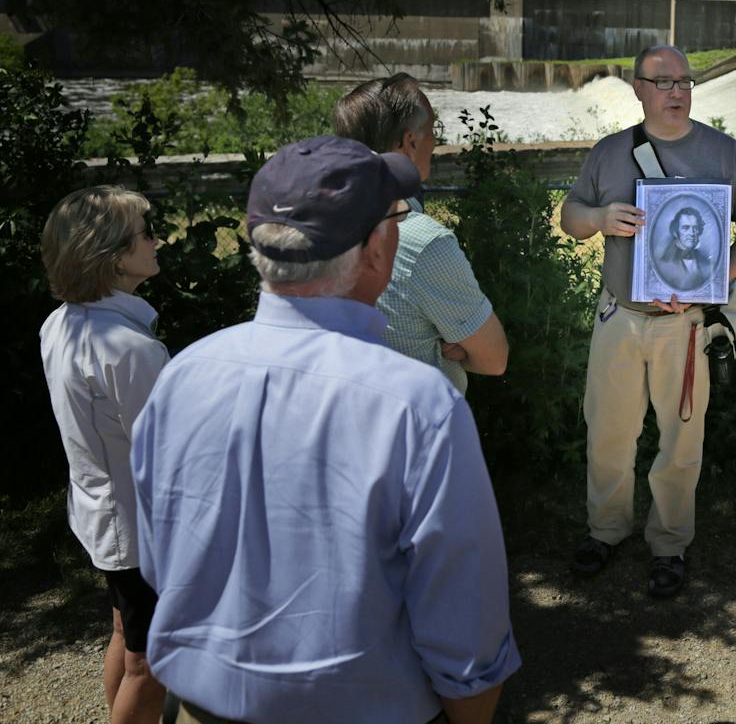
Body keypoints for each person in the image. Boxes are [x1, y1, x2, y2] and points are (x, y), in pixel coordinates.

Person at [133, 137, 519, 724]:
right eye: (395, 217)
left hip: (201, 709)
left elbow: (161, 563)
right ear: (373, 252)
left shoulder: (183, 375)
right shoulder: (418, 406)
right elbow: (465, 623)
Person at [560, 44, 736, 597]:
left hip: (686, 328)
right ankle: (605, 531)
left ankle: (670, 544)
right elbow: (570, 217)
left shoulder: (723, 154)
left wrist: (714, 274)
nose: (676, 91)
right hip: (620, 317)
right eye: (663, 82)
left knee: (681, 441)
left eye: (684, 81)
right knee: (609, 432)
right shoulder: (610, 153)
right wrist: (600, 217)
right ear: (638, 88)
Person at [38, 186, 168, 724]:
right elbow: (165, 454)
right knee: (151, 667)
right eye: (147, 231)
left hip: (99, 514)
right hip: (138, 527)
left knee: (124, 631)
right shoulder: (131, 350)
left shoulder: (60, 323)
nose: (158, 240)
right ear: (114, 255)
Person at [332, 73, 508, 394]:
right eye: (433, 131)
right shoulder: (422, 242)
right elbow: (494, 359)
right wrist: (458, 350)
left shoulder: (314, 222)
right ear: (410, 142)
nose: (435, 142)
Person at [656, 205, 714, 290]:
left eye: (695, 228)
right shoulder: (663, 263)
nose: (692, 233)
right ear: (676, 231)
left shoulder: (707, 263)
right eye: (686, 228)